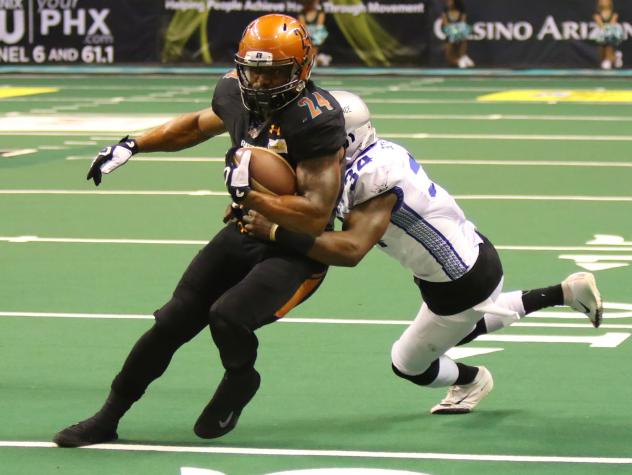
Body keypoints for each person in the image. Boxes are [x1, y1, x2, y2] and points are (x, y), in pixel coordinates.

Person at [52, 14, 346, 447]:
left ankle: (241, 378)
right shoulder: (234, 93)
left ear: (303, 68)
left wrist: (253, 196)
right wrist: (133, 143)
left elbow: (316, 214)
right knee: (171, 320)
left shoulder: (316, 118)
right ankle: (108, 417)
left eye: (274, 72)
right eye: (255, 71)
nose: (262, 83)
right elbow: (195, 125)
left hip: (297, 246)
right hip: (247, 228)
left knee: (227, 315)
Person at [243, 91, 603, 414]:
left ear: (345, 138)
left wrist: (274, 229)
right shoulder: (378, 154)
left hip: (459, 282)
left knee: (408, 363)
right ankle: (566, 292)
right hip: (473, 255)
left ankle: (472, 379)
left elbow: (351, 250)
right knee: (467, 321)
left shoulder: (372, 177)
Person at [441, 0, 474, 69]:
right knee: (448, 56)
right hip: (449, 35)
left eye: (449, 1)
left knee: (464, 30)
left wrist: (456, 34)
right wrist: (453, 33)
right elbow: (446, 24)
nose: (447, 2)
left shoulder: (462, 11)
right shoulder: (445, 10)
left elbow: (462, 23)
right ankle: (460, 61)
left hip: (459, 33)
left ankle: (463, 56)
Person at [299, 0, 332, 67]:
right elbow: (303, 27)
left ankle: (314, 57)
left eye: (312, 2)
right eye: (309, 2)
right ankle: (314, 58)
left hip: (317, 37)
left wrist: (314, 42)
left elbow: (319, 27)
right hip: (307, 37)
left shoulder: (320, 12)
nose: (310, 3)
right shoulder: (302, 13)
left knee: (319, 34)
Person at [594, 0, 624, 69]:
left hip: (613, 34)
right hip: (602, 34)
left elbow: (613, 23)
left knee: (609, 41)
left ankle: (609, 59)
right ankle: (615, 57)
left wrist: (609, 32)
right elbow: (600, 24)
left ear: (610, 2)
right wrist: (605, 32)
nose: (604, 2)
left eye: (605, 0)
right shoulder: (597, 13)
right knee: (601, 52)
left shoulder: (614, 12)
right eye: (602, 0)